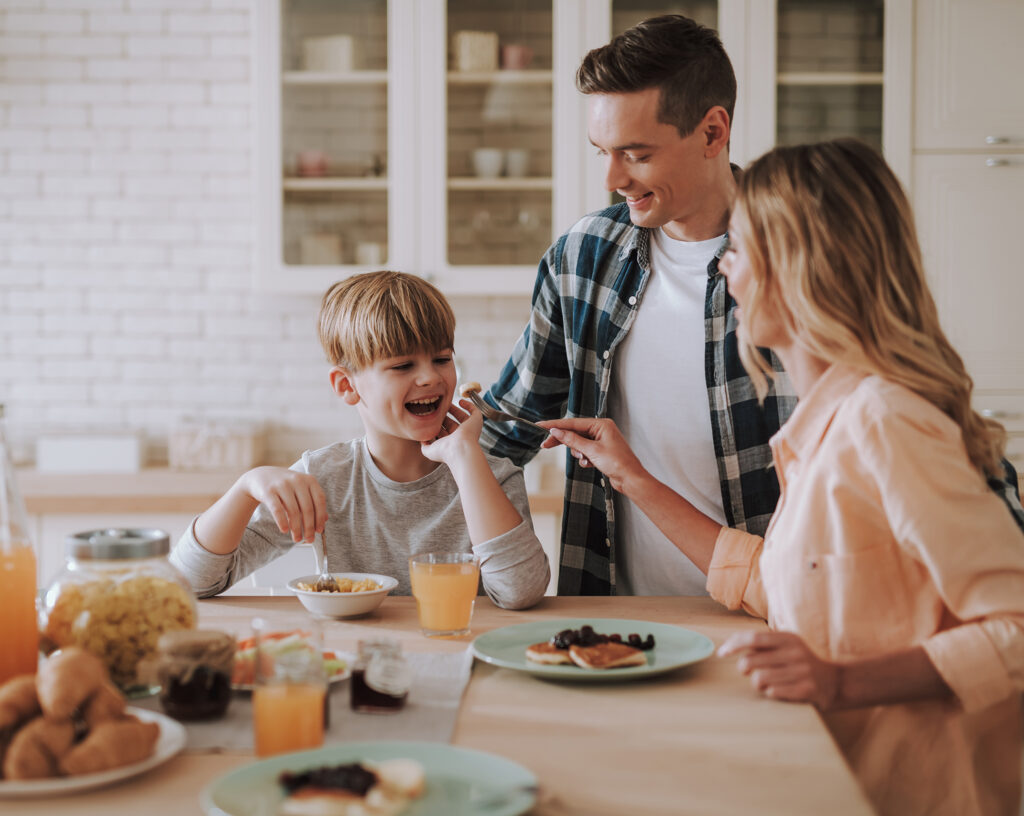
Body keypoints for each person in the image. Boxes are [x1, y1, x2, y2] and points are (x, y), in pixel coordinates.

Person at [540, 139, 1024, 816]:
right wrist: (634, 478)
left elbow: (1014, 629)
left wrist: (838, 682)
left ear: (797, 267)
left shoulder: (884, 420)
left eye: (737, 251)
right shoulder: (826, 423)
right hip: (825, 775)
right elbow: (785, 584)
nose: (725, 272)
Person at [479, 14, 795, 596]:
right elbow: (504, 433)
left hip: (772, 618)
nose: (612, 177)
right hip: (619, 623)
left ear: (711, 132)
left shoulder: (800, 259)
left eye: (635, 153)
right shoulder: (582, 256)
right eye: (602, 150)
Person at [170, 271, 550, 608]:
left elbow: (520, 592)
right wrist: (245, 487)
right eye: (403, 366)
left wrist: (465, 457)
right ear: (346, 385)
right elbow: (190, 581)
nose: (430, 378)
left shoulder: (492, 476)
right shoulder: (323, 477)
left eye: (442, 359)